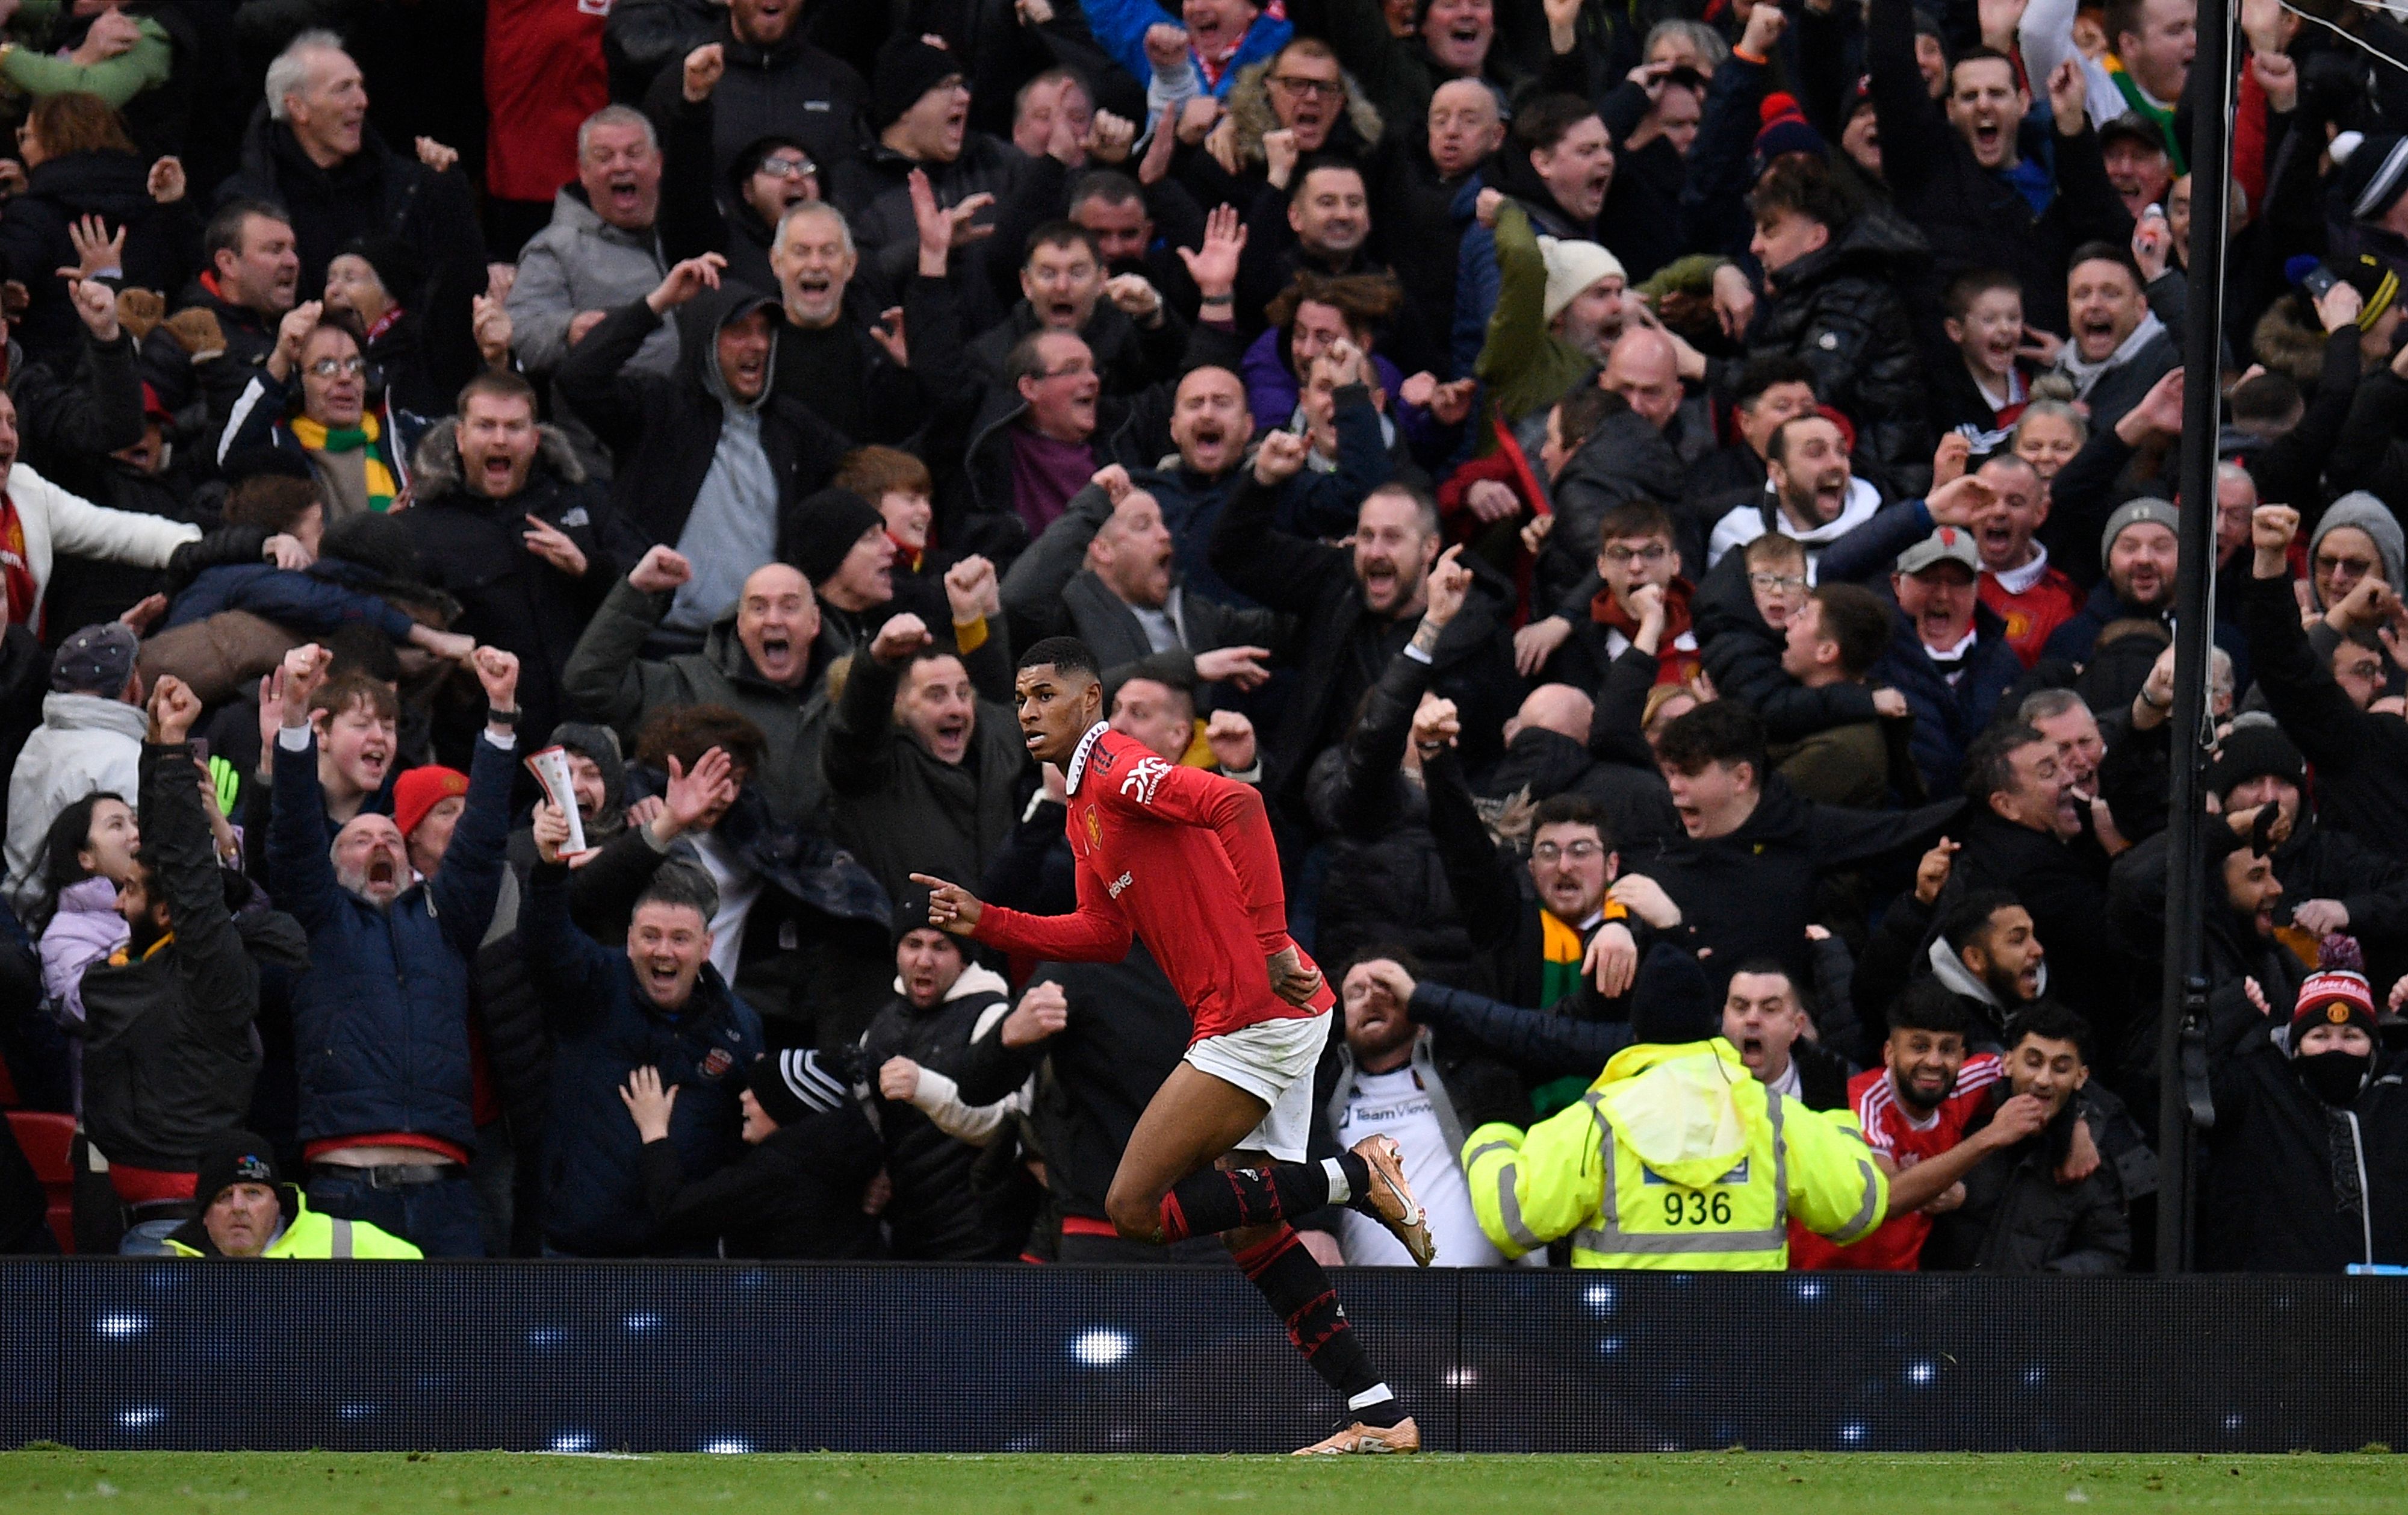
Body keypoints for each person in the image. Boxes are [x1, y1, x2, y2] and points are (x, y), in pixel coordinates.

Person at [912, 636, 1433, 1455]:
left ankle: (1355, 1175)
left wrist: (1270, 942)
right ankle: (1378, 1412)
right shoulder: (1085, 810)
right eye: (1019, 700)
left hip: (1256, 1010)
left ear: (1090, 703)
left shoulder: (1119, 768)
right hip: (1250, 1015)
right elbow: (1103, 934)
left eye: (1045, 695)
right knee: (1250, 1231)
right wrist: (992, 922)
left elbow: (1240, 806)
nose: (1028, 713)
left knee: (1133, 1208)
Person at [1461, 943, 2036, 1269]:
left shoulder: (1598, 1117)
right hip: (1746, 1351)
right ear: (1709, 1022)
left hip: (1622, 1351)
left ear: (1638, 1029)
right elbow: (1860, 1206)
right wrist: (1836, 1113)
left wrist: (1494, 1130)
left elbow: (1513, 1223)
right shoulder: (1771, 1114)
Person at [267, 642, 521, 1257]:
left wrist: (502, 713)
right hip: (346, 1191)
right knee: (348, 1356)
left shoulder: (446, 921)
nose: (378, 841)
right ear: (330, 868)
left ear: (409, 860)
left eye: (390, 836)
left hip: (448, 1192)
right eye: (358, 839)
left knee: (458, 1355)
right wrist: (296, 714)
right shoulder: (319, 919)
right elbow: (297, 827)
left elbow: (483, 836)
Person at [79, 677, 308, 1253]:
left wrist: (178, 751)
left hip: (183, 1230)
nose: (114, 900)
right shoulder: (139, 959)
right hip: (126, 1216)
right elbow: (164, 859)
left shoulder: (212, 974)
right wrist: (158, 746)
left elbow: (184, 870)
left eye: (127, 891)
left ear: (165, 909)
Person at [553, 254, 848, 644]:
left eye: (764, 331)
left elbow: (868, 470)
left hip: (757, 647)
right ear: (706, 340)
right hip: (662, 640)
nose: (757, 344)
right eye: (740, 331)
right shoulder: (658, 409)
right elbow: (579, 378)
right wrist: (658, 302)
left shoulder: (790, 426)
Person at [524, 798, 765, 1257]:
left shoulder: (739, 1026)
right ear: (631, 939)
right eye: (651, 936)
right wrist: (549, 870)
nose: (664, 952)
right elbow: (544, 941)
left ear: (707, 946)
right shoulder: (593, 984)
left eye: (680, 939)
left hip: (681, 1260)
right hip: (580, 1248)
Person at [402, 370, 617, 762]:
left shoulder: (581, 499)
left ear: (535, 440)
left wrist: (588, 568)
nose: (500, 439)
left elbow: (642, 590)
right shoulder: (421, 529)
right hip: (485, 750)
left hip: (587, 741)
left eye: (514, 427)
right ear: (460, 438)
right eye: (486, 426)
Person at [1319, 953, 1527, 1268]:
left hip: (1476, 1297)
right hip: (1363, 1302)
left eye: (1386, 987)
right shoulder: (1321, 1097)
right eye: (1355, 993)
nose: (1371, 998)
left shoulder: (1472, 1080)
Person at [505, 105, 678, 476]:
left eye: (633, 153)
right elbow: (520, 330)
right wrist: (568, 329)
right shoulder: (556, 248)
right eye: (604, 157)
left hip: (690, 444)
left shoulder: (685, 232)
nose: (620, 166)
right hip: (605, 461)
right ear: (584, 173)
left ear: (658, 162)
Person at [2202, 965, 2408, 1272]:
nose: (2335, 1048)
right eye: (2319, 1036)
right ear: (2296, 1047)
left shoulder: (2397, 1089)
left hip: (2391, 1302)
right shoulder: (2260, 1087)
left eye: (2351, 1035)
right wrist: (2231, 1010)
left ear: (2373, 1047)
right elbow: (2183, 1081)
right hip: (2287, 1304)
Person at [860, 903, 1031, 1260]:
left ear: (964, 959)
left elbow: (1006, 1128)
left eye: (940, 947)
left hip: (980, 1235)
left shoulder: (993, 1015)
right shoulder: (883, 1023)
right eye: (913, 944)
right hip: (903, 1231)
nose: (925, 961)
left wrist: (925, 1088)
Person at [821, 613, 1027, 906]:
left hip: (994, 942)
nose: (956, 708)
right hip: (911, 947)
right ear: (898, 705)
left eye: (963, 694)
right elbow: (855, 730)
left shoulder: (998, 745)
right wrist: (877, 662)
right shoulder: (871, 771)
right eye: (936, 696)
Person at [1920, 1003, 2132, 1274]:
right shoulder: (1966, 1115)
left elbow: (2109, 1249)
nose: (2044, 1079)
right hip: (1939, 1307)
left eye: (2061, 1068)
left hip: (2032, 1312)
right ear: (2008, 1062)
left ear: (2081, 1077)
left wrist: (2047, 1287)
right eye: (2033, 1063)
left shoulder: (2090, 1154)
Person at [615, 1051, 883, 1259]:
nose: (743, 1097)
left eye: (757, 1093)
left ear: (784, 1109)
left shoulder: (777, 1172)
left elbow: (676, 1210)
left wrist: (654, 1132)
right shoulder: (842, 1159)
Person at [1873, 527, 2023, 801]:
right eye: (1929, 579)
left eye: (1958, 583)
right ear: (1897, 584)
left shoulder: (2002, 662)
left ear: (1977, 589)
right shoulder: (1873, 653)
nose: (1943, 595)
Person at [5, 625, 145, 909]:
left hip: (17, 903)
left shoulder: (40, 736)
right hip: (82, 918)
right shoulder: (126, 757)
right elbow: (141, 861)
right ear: (131, 684)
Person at [161, 1133, 422, 1258]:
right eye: (224, 1197)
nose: (239, 1207)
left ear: (277, 1203)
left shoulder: (346, 1242)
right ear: (205, 1216)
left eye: (253, 1193)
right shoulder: (170, 1265)